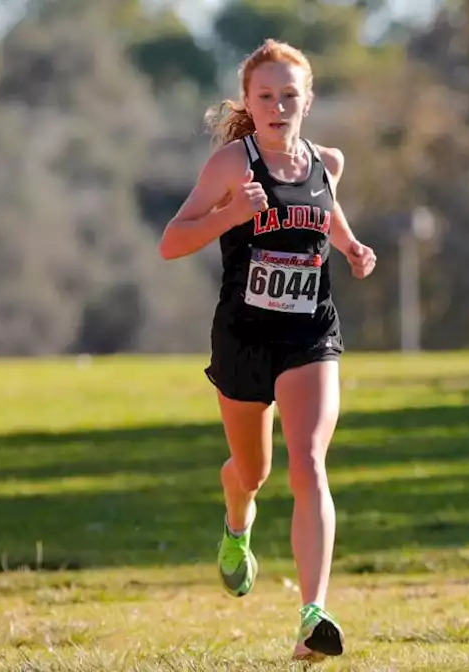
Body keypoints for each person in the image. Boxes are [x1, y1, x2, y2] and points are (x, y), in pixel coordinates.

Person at [158, 38, 376, 662]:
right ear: (248, 103)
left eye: (289, 95)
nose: (279, 106)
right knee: (251, 471)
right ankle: (237, 523)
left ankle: (314, 615)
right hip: (243, 339)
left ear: (307, 99)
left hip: (310, 334)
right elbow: (171, 242)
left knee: (308, 461)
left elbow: (328, 216)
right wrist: (228, 217)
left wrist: (353, 249)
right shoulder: (233, 163)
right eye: (265, 96)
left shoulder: (326, 162)